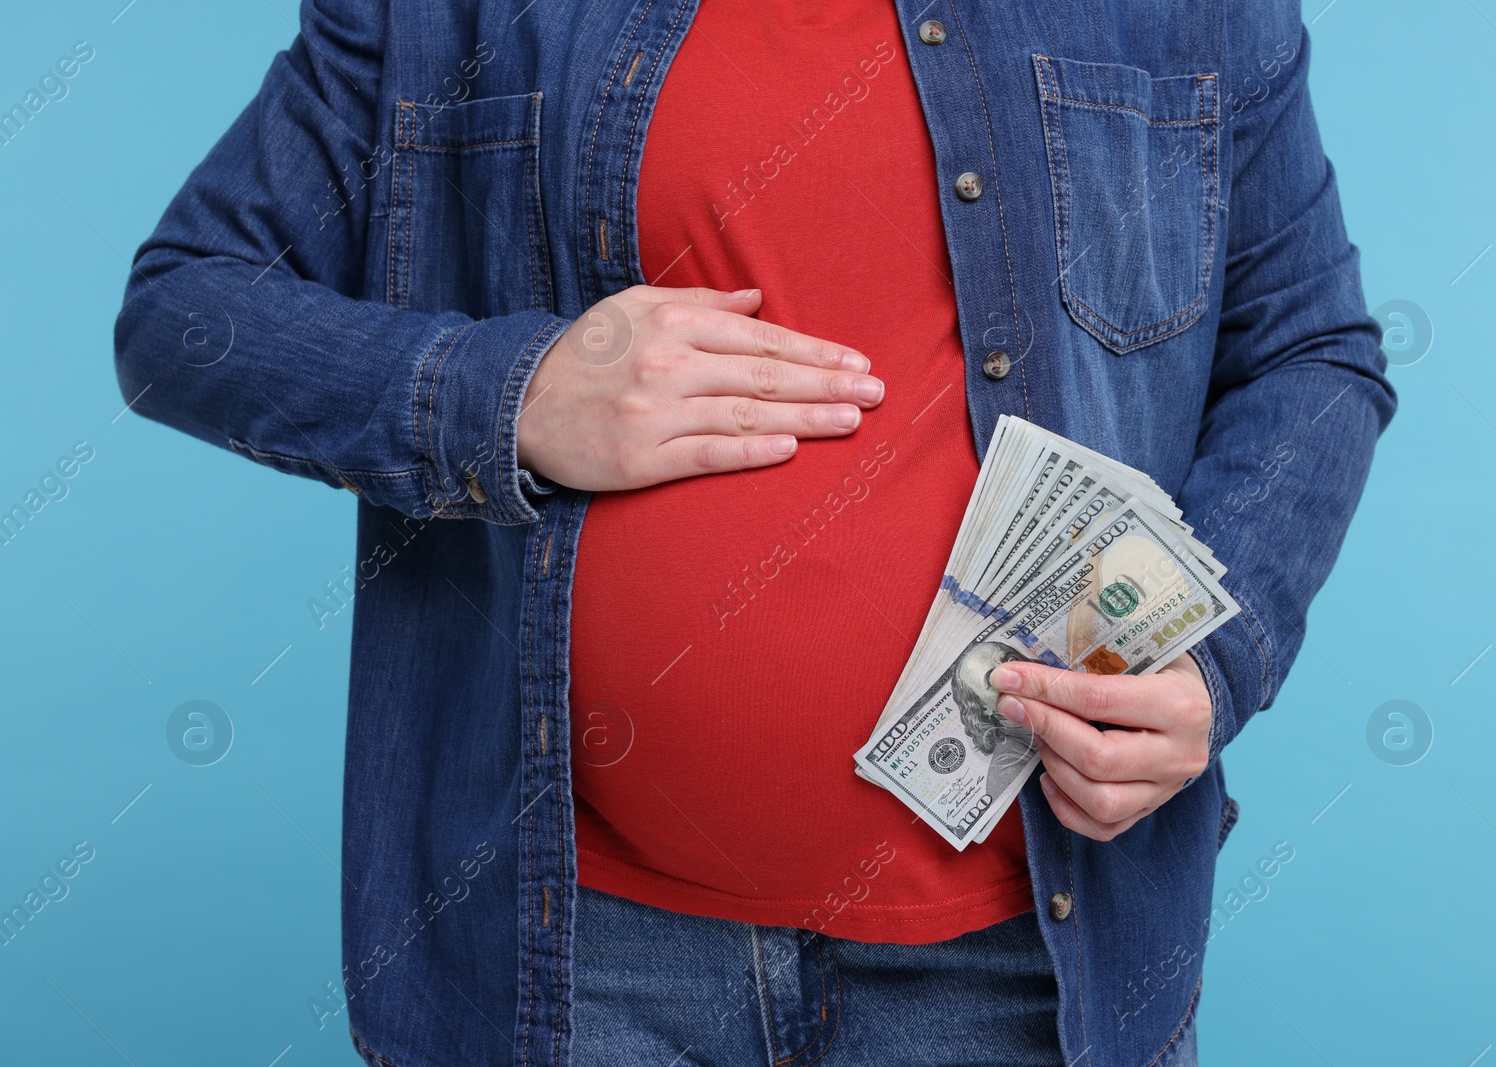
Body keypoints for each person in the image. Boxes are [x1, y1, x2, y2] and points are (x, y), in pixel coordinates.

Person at [113, 1, 1395, 1064]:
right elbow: (183, 313)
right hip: (579, 958)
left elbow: (1310, 348)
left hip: (1021, 958)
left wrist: (1207, 667)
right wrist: (508, 393)